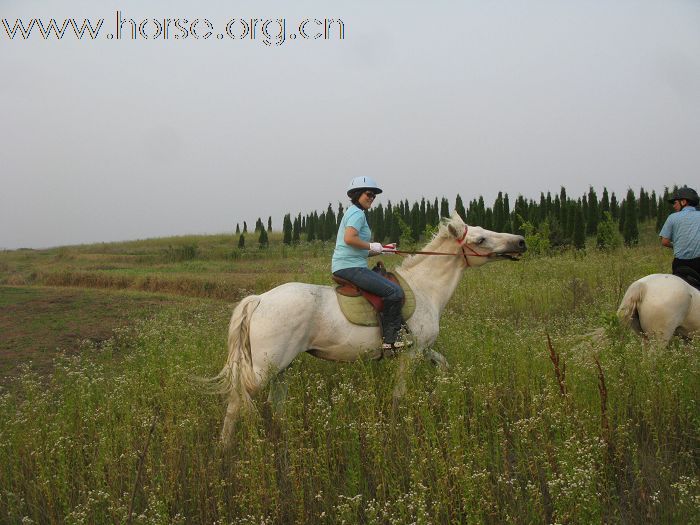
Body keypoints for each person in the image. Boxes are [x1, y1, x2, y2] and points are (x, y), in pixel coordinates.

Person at [332, 176, 409, 354]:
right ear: (357, 194)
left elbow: (356, 249)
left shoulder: (356, 213)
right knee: (394, 291)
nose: (372, 198)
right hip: (349, 267)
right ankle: (391, 340)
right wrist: (371, 245)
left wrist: (381, 250)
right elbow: (349, 239)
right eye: (368, 194)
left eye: (374, 195)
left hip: (351, 263)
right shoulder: (357, 214)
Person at [659, 186, 700, 277]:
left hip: (680, 264)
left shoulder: (672, 217)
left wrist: (676, 245)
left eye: (675, 202)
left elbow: (665, 242)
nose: (674, 206)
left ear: (684, 202)